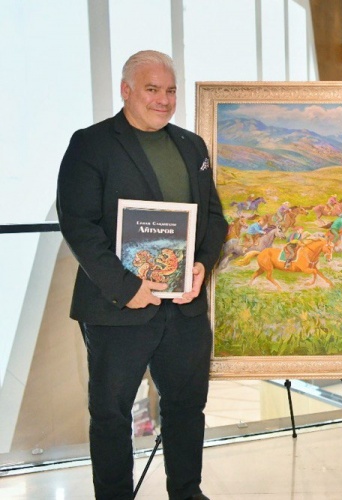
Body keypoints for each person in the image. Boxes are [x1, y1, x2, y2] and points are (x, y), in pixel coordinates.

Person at [56, 50, 227, 500]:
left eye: (170, 90)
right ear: (126, 90)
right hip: (117, 309)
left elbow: (214, 219)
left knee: (187, 408)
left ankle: (187, 493)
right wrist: (126, 287)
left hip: (185, 309)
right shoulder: (90, 144)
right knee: (111, 416)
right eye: (152, 89)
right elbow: (78, 224)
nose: (163, 99)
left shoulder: (192, 146)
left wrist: (201, 267)